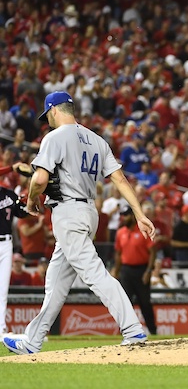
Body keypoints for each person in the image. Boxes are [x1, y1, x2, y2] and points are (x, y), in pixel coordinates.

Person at [3, 91, 156, 355]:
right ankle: (32, 340)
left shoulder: (54, 137)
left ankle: (132, 329)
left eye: (47, 115)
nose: (47, 120)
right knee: (56, 281)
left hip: (68, 212)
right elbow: (119, 179)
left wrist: (30, 203)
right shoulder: (97, 139)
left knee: (95, 273)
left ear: (53, 110)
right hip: (87, 211)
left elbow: (39, 180)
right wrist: (139, 213)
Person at [111, 206, 157, 335]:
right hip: (126, 270)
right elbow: (118, 253)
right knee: (125, 303)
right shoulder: (121, 232)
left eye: (126, 215)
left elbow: (152, 252)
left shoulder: (142, 230)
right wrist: (116, 271)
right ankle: (124, 331)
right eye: (123, 215)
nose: (124, 218)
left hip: (141, 270)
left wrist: (148, 271)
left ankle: (153, 331)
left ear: (132, 216)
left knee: (145, 303)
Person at [0, 185, 29, 335]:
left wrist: (27, 202)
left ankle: (1, 328)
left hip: (6, 244)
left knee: (3, 289)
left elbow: (22, 212)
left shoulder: (9, 194)